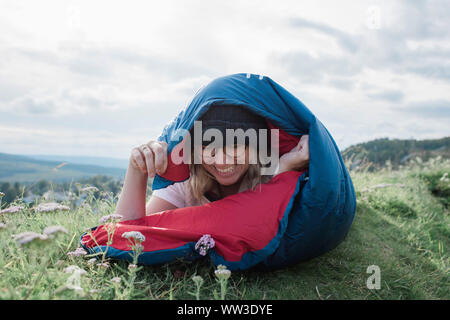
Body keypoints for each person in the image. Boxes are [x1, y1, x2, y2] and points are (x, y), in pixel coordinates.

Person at [114, 105, 309, 221]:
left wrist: (285, 170)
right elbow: (127, 236)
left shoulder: (271, 175)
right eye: (208, 148)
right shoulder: (186, 183)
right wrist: (136, 169)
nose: (221, 161)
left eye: (234, 147)